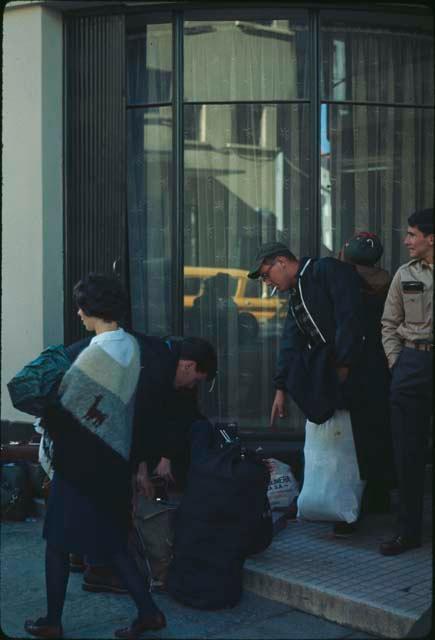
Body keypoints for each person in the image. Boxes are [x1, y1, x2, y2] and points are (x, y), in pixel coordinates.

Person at [24, 273, 165, 639]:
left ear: (90, 309)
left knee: (56, 543)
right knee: (113, 543)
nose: (78, 314)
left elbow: (66, 411)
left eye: (80, 308)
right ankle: (149, 613)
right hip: (115, 462)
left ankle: (52, 622)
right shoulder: (132, 347)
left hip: (81, 466)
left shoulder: (92, 353)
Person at [248, 242, 369, 537]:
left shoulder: (324, 270)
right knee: (337, 443)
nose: (268, 283)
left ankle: (358, 508)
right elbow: (291, 342)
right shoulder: (296, 296)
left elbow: (349, 315)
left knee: (358, 440)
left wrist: (344, 362)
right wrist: (280, 388)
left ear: (281, 261)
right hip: (330, 374)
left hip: (356, 372)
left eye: (266, 274)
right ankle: (335, 507)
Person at [380, 208, 433, 556]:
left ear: (431, 238)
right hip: (412, 364)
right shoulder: (404, 274)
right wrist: (398, 363)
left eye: (412, 234)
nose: (406, 240)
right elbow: (389, 323)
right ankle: (408, 532)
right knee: (408, 453)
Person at [338, 232, 396, 514]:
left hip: (351, 368)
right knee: (380, 429)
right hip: (384, 367)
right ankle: (380, 495)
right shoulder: (391, 282)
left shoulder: (343, 283)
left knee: (351, 435)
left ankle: (353, 498)